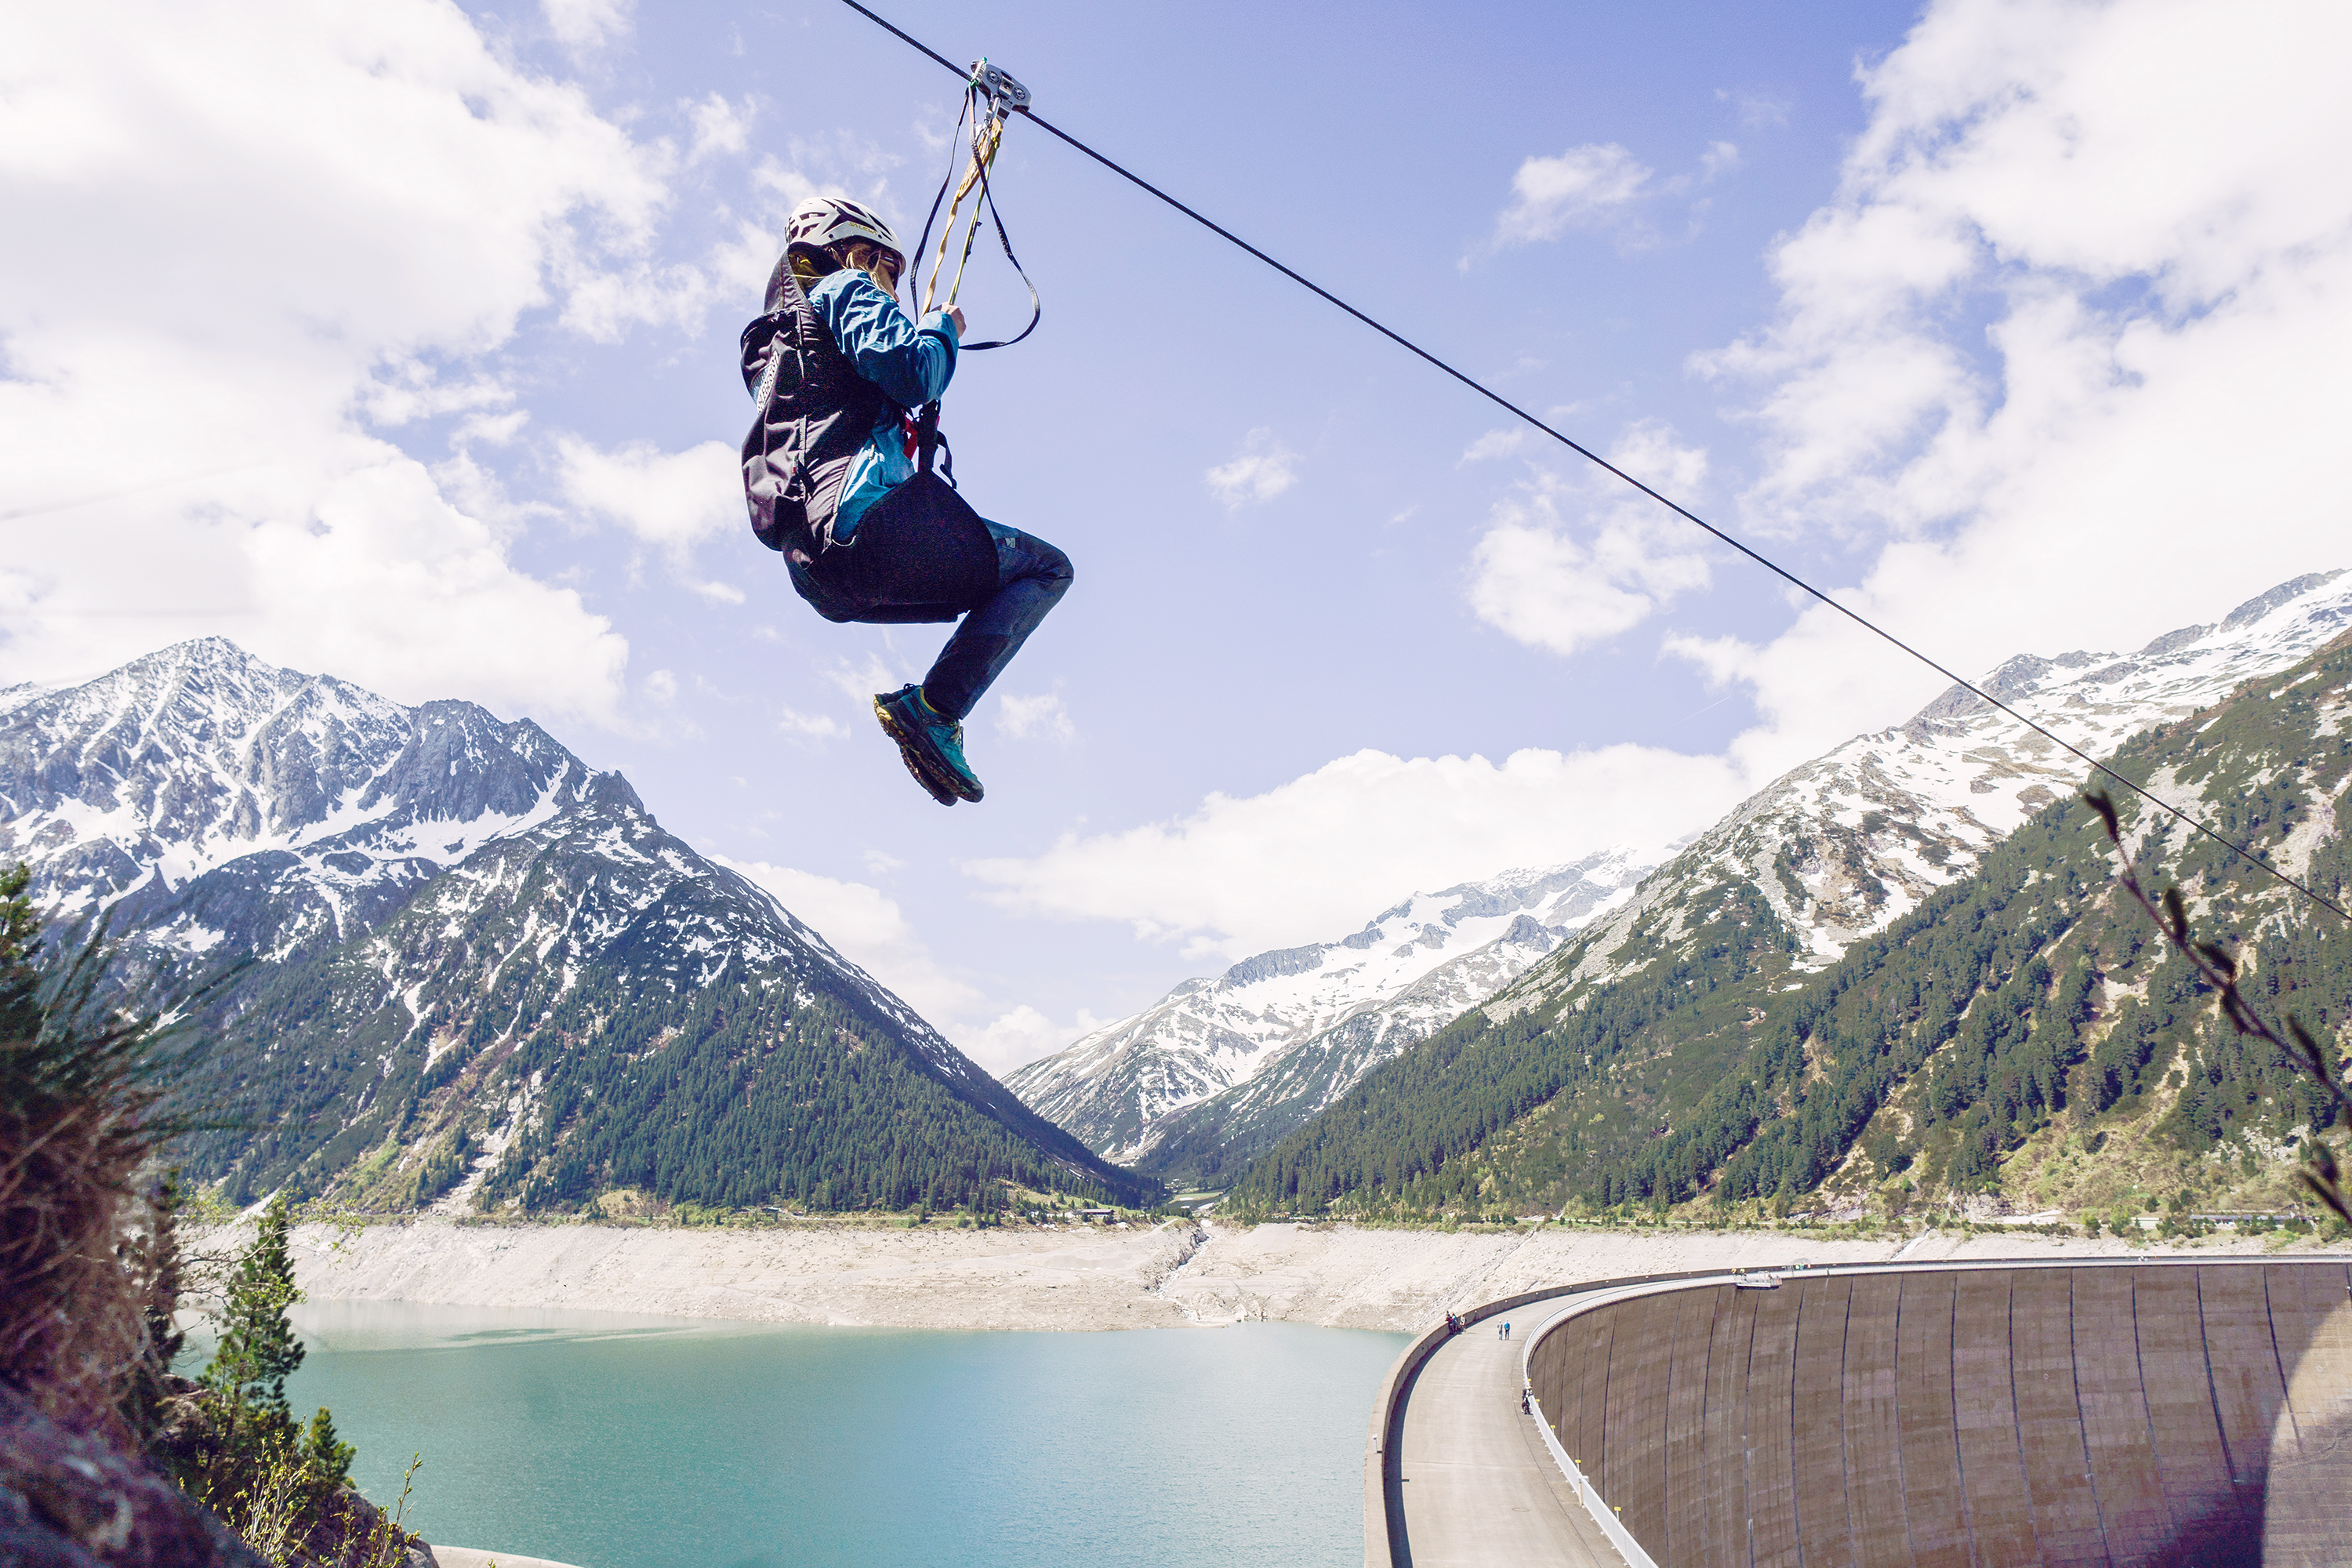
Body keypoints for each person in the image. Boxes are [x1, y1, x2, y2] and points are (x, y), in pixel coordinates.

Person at [739, 196, 1074, 805]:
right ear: (856, 250)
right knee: (1047, 568)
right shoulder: (844, 288)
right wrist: (942, 329)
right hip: (863, 527)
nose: (893, 289)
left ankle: (932, 715)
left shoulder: (775, 349)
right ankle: (934, 712)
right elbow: (915, 369)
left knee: (1003, 578)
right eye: (890, 271)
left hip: (818, 570)